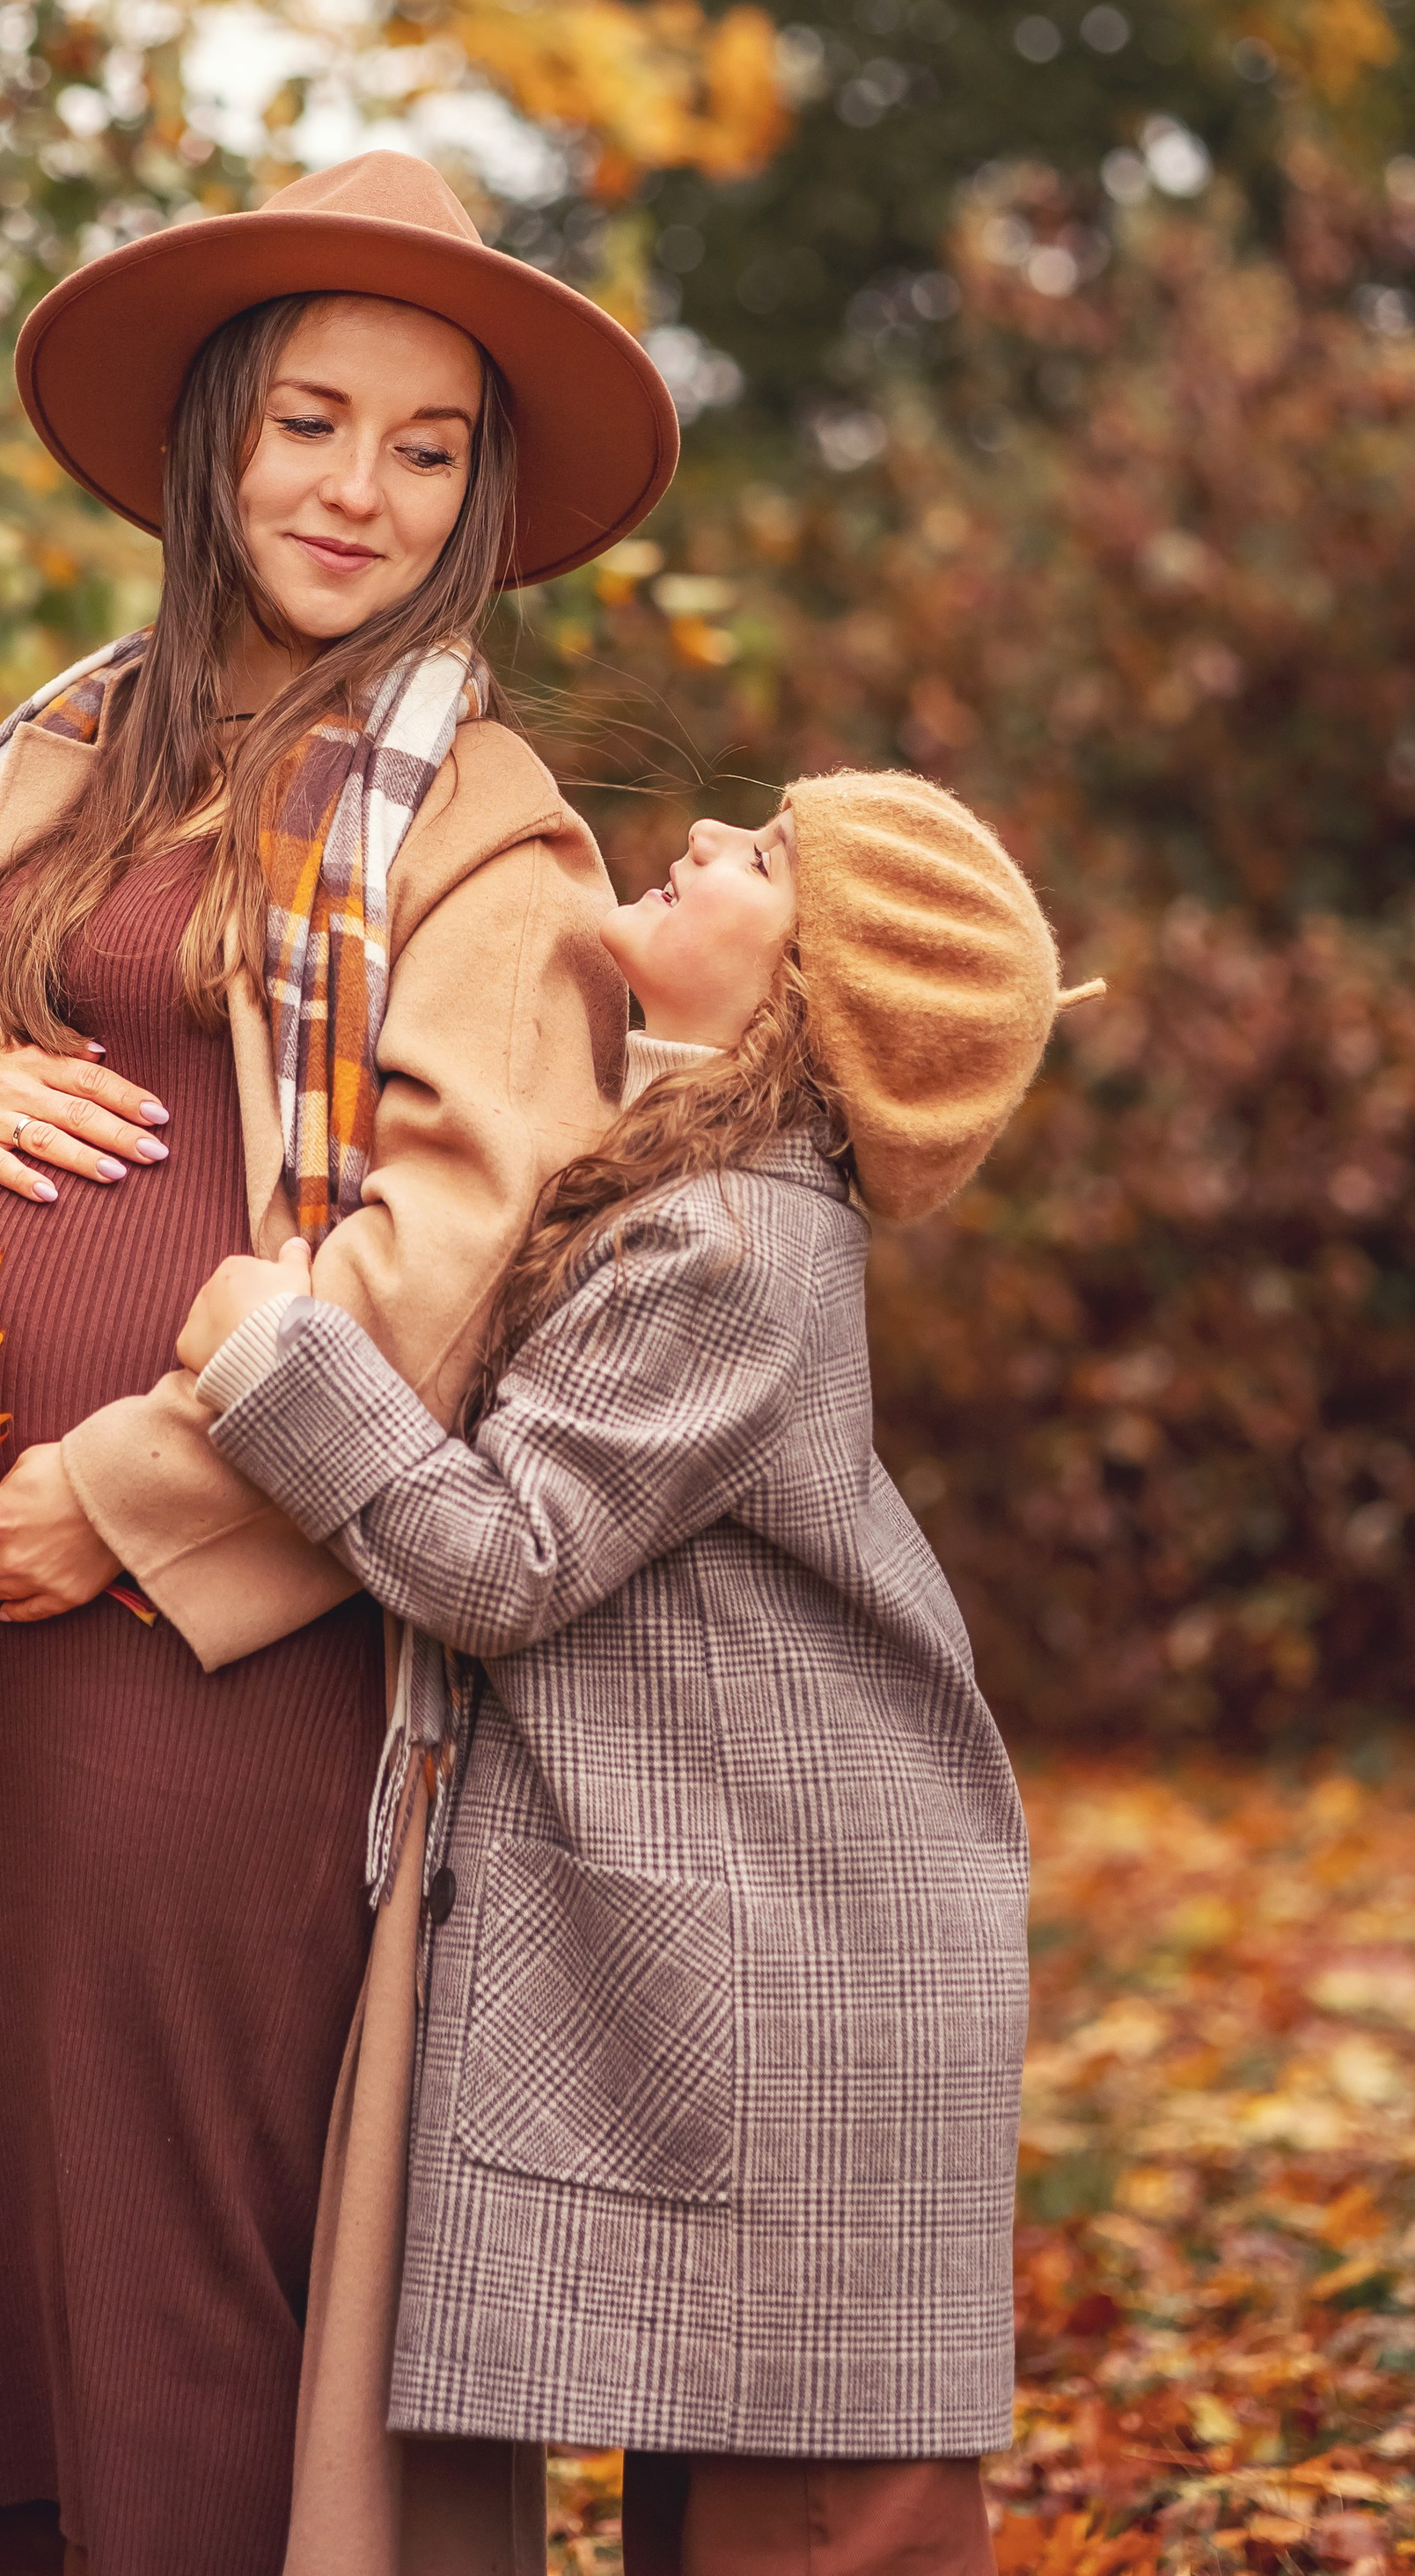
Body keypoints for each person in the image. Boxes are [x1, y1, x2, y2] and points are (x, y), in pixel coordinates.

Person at [0, 150, 678, 2576]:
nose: (361, 490)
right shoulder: (64, 750)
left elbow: (460, 1254)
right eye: (311, 424)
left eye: (428, 444)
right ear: (212, 447)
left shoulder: (489, 827)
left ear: (479, 498)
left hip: (215, 1647)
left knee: (182, 2234)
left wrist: (133, 1497)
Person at [181, 770, 1092, 2576]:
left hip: (807, 1975)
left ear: (810, 991)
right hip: (784, 1946)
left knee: (819, 2527)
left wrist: (277, 1357)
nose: (696, 844)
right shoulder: (697, 1193)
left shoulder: (729, 1244)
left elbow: (498, 1561)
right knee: (735, 2506)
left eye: (757, 860)